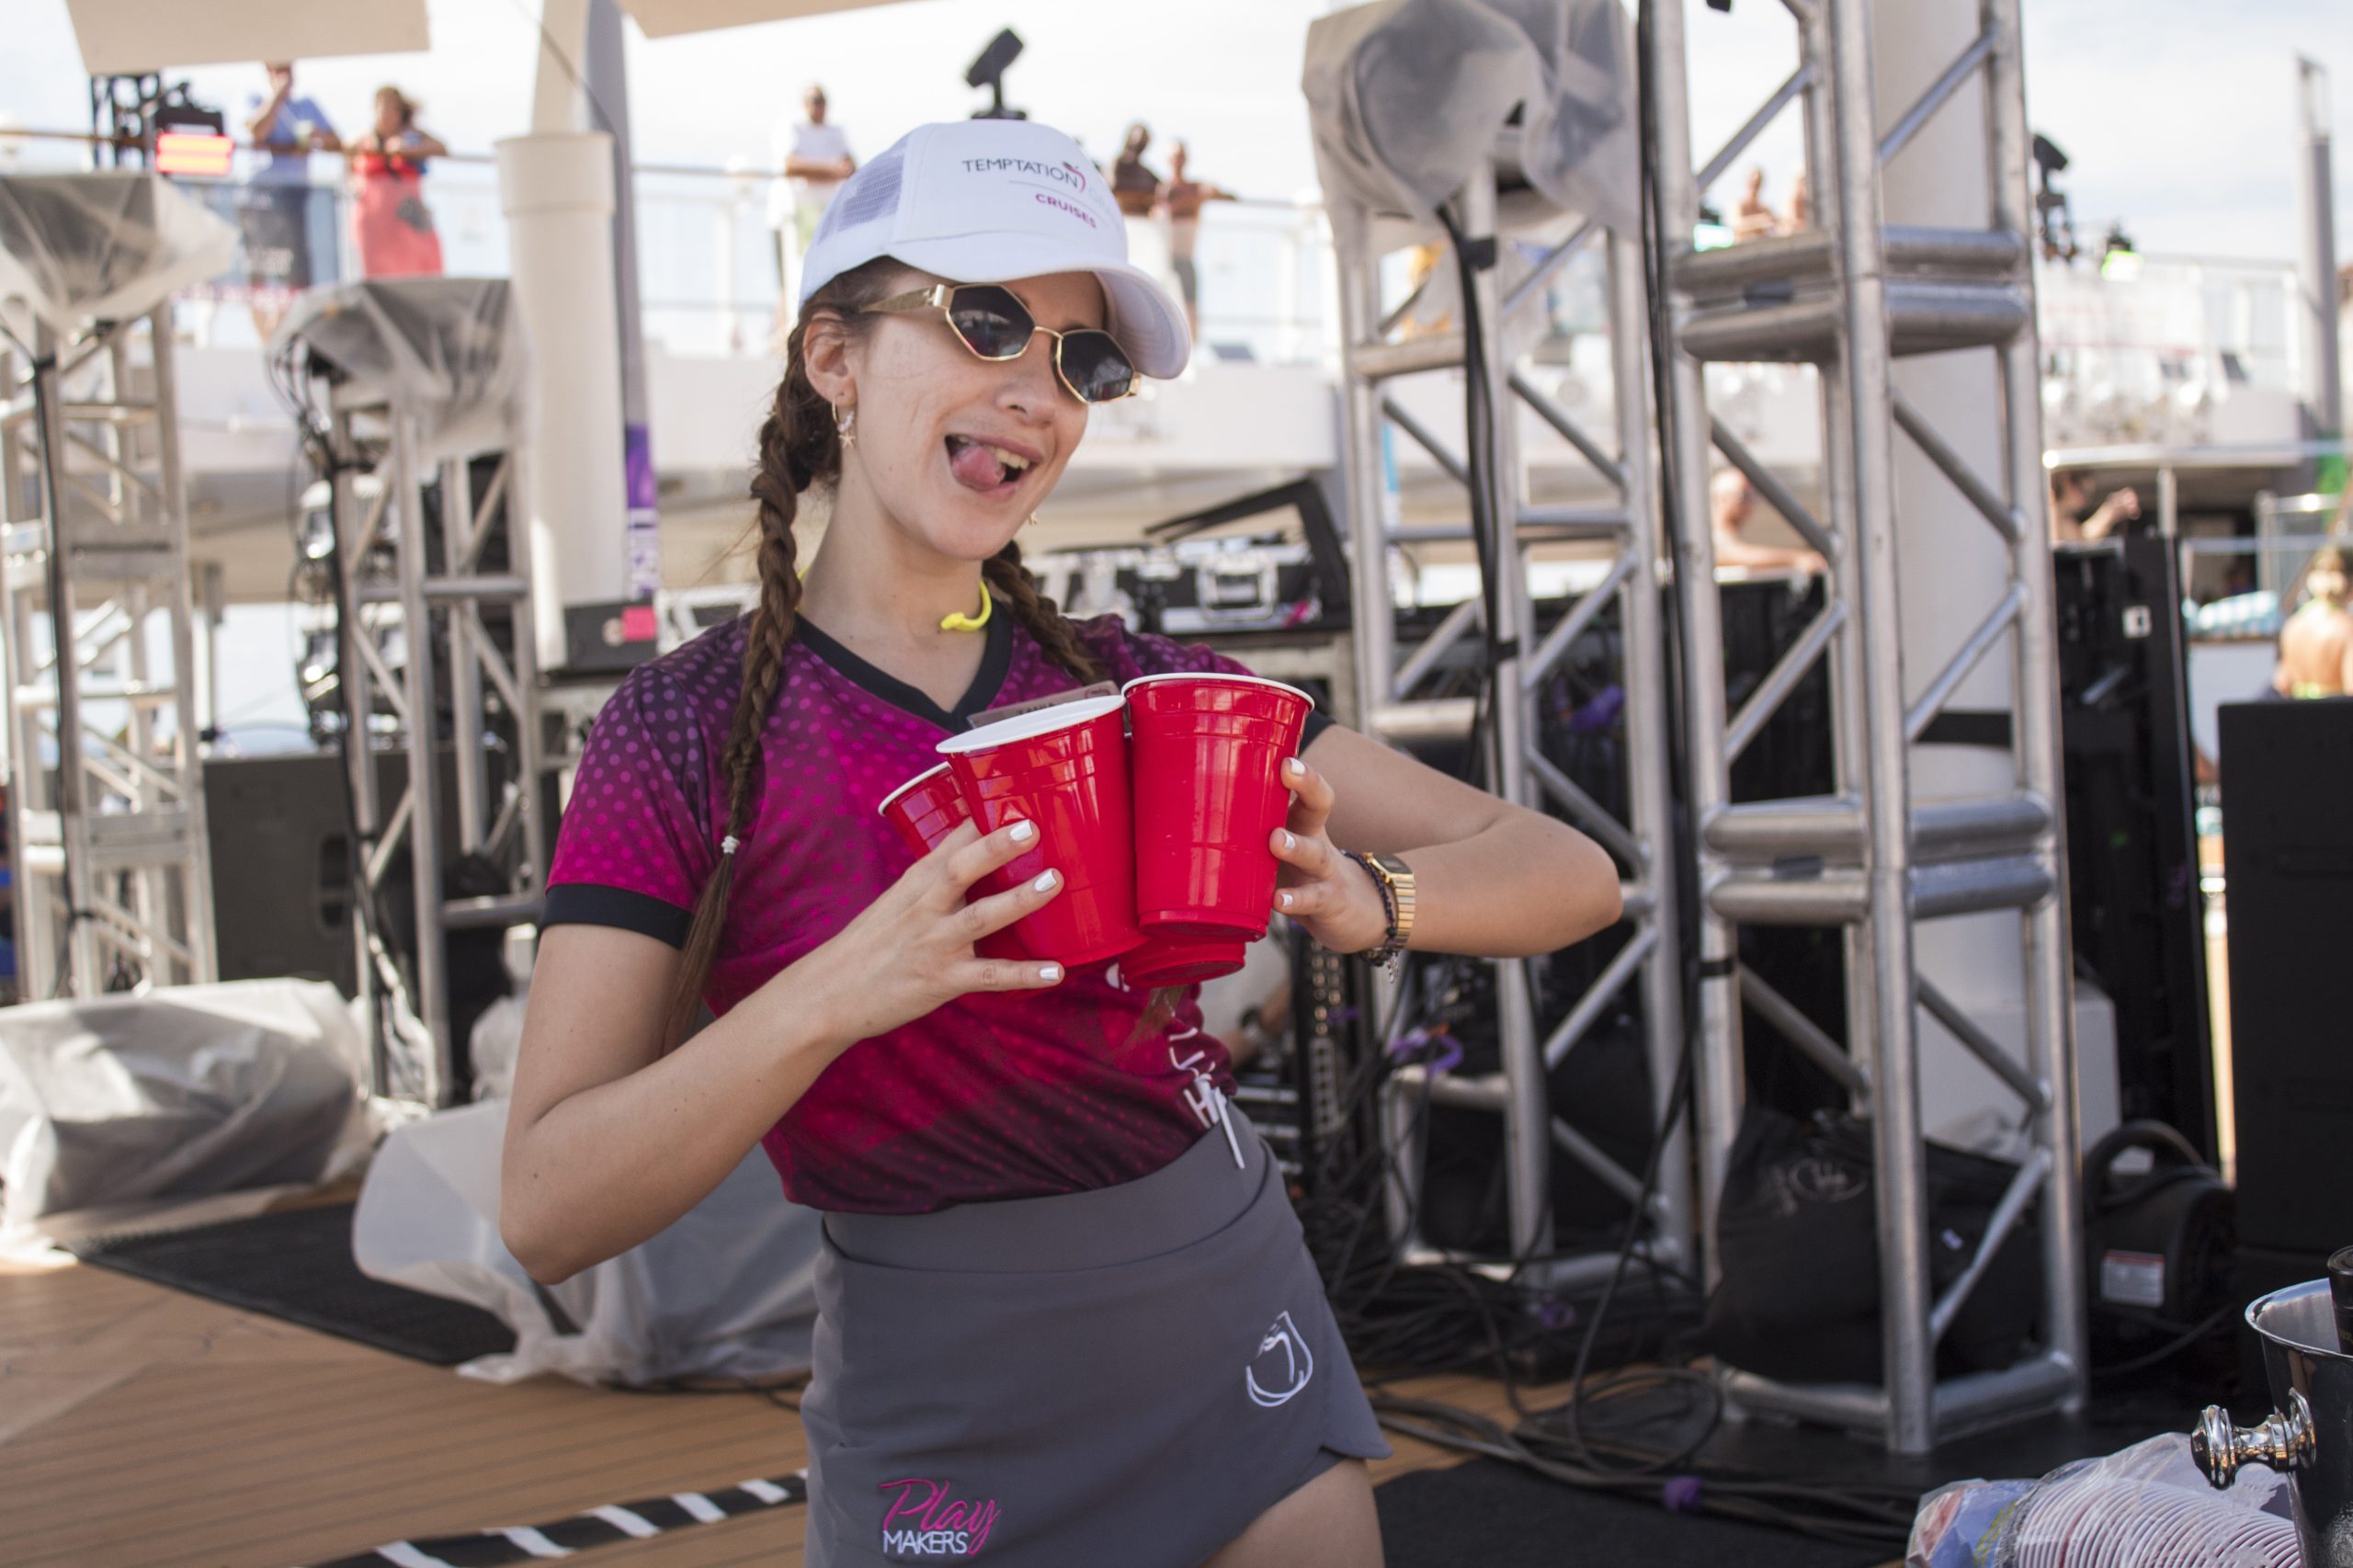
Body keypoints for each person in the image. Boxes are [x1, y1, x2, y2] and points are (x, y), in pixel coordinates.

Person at [502, 117, 1621, 1568]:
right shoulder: (681, 729)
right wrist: (835, 991)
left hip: (1238, 1345)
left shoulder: (1146, 688)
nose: (1036, 393)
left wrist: (1371, 897)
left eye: (1082, 361)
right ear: (834, 356)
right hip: (944, 1405)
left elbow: (1570, 873)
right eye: (985, 323)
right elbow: (547, 1209)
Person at [241, 62, 339, 335]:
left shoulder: (306, 107)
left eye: (288, 69)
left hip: (294, 201)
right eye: (278, 69)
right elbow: (256, 131)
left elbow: (336, 142)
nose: (284, 76)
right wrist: (276, 97)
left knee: (296, 275)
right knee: (258, 271)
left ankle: (283, 331)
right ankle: (265, 336)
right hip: (259, 202)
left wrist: (317, 138)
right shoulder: (255, 100)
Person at [347, 86, 447, 279]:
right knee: (376, 274)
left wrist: (409, 150)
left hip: (407, 215)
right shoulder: (363, 140)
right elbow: (347, 156)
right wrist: (353, 182)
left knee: (417, 268)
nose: (386, 112)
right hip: (373, 218)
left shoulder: (412, 137)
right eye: (382, 106)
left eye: (392, 107)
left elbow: (441, 148)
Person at [768, 85, 856, 302]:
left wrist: (831, 171)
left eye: (822, 101)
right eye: (815, 101)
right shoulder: (792, 127)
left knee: (824, 270)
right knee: (790, 276)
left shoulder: (835, 132)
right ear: (805, 103)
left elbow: (850, 166)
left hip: (825, 213)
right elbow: (791, 166)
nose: (819, 106)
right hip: (794, 214)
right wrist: (831, 170)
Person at [1164, 141, 1235, 341]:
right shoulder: (1161, 189)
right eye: (1174, 157)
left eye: (1180, 157)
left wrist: (1211, 192)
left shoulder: (1194, 190)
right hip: (1162, 259)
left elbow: (1225, 196)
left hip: (1185, 257)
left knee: (1189, 308)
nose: (1177, 161)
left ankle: (1191, 346)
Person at [1711, 468, 1826, 574]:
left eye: (1752, 497)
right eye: (1743, 496)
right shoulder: (1712, 533)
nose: (1750, 504)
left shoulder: (1730, 534)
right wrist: (1795, 558)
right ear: (1721, 499)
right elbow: (1736, 555)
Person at [2273, 546, 2353, 698]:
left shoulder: (2292, 624)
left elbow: (2283, 683)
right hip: (2336, 711)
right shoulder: (2348, 628)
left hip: (2298, 710)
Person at [2048, 468, 2140, 542]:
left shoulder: (2064, 518)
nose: (2085, 501)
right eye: (2083, 492)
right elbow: (2081, 540)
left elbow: (2081, 537)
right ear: (2067, 482)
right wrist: (2109, 512)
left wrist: (2111, 512)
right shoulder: (2052, 512)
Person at [1731, 165, 1777, 242]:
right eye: (1753, 181)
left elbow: (1777, 225)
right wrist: (1760, 221)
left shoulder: (1764, 209)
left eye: (1758, 183)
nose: (1755, 185)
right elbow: (1736, 225)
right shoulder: (1739, 205)